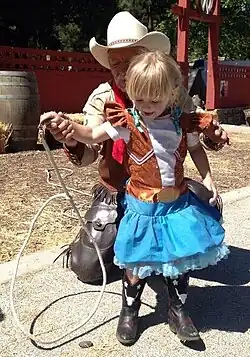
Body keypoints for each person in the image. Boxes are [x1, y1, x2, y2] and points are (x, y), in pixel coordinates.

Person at [41, 51, 229, 346]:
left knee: (178, 260)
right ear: (131, 93)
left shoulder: (182, 122)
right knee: (136, 262)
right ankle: (130, 310)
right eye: (139, 99)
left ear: (172, 92)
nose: (147, 107)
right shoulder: (127, 122)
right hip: (141, 208)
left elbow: (196, 150)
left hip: (176, 207)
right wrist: (66, 126)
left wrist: (208, 179)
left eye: (155, 100)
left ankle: (177, 309)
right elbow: (91, 134)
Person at [41, 11, 229, 285]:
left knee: (205, 205)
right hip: (116, 191)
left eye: (129, 61)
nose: (121, 70)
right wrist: (71, 135)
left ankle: (157, 254)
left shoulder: (174, 94)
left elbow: (196, 136)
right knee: (88, 268)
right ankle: (138, 257)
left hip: (163, 186)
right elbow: (90, 145)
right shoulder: (103, 97)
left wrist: (215, 136)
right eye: (114, 63)